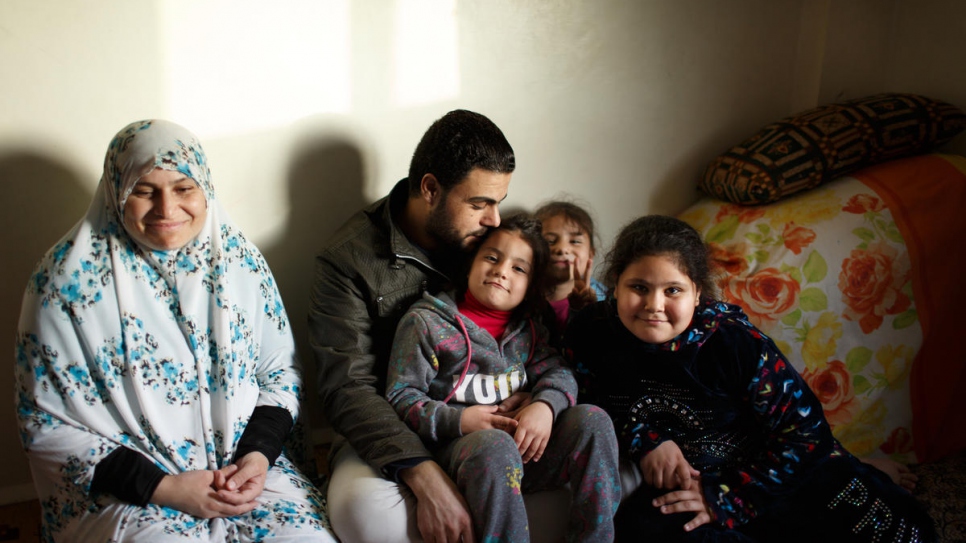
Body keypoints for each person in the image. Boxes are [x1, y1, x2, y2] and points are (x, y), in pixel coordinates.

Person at [14, 120, 336, 542]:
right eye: (146, 191)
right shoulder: (66, 284)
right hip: (132, 491)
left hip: (243, 471)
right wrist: (165, 488)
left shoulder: (238, 263)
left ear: (205, 189)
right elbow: (44, 422)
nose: (167, 210)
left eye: (184, 189)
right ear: (117, 192)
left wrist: (256, 458)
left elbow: (279, 374)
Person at [567, 215, 937, 542]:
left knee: (902, 532)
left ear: (698, 294)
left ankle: (865, 469)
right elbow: (590, 400)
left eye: (673, 290)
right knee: (638, 528)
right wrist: (647, 440)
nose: (654, 305)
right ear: (616, 284)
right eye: (639, 288)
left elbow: (806, 435)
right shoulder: (592, 333)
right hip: (690, 484)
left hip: (770, 475)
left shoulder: (733, 343)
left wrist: (726, 499)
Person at [310, 109, 521, 543]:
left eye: (498, 202)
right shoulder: (347, 261)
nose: (494, 220)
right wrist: (421, 472)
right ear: (430, 189)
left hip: (485, 419)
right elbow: (346, 388)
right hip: (396, 426)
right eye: (479, 204)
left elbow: (532, 325)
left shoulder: (489, 245)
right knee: (362, 513)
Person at [385, 214, 621, 541]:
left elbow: (558, 371)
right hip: (462, 456)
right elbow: (401, 397)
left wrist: (545, 406)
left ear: (531, 287)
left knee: (594, 420)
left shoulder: (530, 330)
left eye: (519, 268)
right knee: (494, 446)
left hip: (525, 454)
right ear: (471, 264)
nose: (501, 270)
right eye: (492, 258)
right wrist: (459, 421)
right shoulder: (426, 323)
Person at [534, 200, 607, 344]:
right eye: (549, 241)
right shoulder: (521, 295)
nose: (562, 249)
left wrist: (586, 311)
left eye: (575, 241)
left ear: (591, 253)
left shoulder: (604, 302)